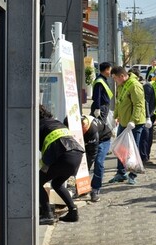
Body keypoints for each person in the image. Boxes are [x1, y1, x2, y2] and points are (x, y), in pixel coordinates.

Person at [39, 105, 85, 225]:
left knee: (37, 182)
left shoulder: (39, 125)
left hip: (64, 156)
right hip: (76, 155)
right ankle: (73, 211)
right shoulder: (56, 122)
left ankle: (47, 214)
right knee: (57, 183)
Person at [109, 65, 147, 185]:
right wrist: (115, 116)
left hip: (134, 124)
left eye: (115, 78)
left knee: (132, 149)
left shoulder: (135, 85)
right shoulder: (121, 85)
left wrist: (133, 121)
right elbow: (119, 102)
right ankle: (121, 173)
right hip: (123, 122)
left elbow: (139, 105)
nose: (115, 81)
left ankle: (133, 174)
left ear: (122, 76)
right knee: (121, 149)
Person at [89, 61, 114, 201]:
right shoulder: (100, 81)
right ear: (106, 70)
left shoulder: (103, 80)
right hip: (100, 108)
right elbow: (97, 95)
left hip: (104, 107)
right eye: (109, 70)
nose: (110, 72)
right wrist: (97, 108)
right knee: (100, 126)